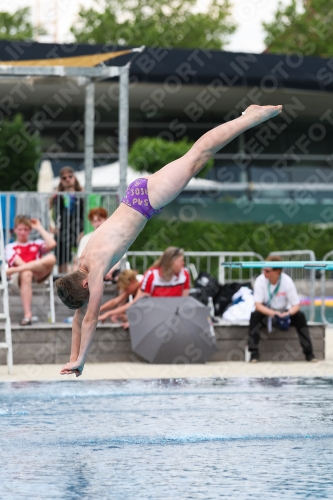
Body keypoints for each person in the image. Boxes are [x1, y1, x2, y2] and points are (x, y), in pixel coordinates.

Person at [55, 104, 283, 376]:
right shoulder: (84, 262)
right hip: (137, 198)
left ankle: (250, 117)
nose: (94, 292)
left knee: (199, 154)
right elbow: (80, 317)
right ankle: (247, 118)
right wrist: (73, 358)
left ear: (84, 284)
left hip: (146, 201)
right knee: (197, 158)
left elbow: (90, 317)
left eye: (88, 293)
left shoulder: (96, 269)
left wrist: (82, 359)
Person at [248, 255, 317, 363]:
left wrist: (288, 314)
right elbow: (258, 305)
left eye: (267, 271)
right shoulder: (260, 280)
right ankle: (253, 353)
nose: (264, 273)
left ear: (277, 272)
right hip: (268, 312)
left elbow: (296, 304)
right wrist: (273, 313)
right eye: (263, 270)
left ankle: (309, 354)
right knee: (255, 315)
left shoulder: (287, 281)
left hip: (284, 312)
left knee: (300, 316)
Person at [5, 215, 56, 325]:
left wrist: (39, 227)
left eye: (26, 229)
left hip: (37, 275)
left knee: (52, 258)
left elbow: (52, 244)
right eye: (20, 229)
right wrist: (33, 267)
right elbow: (22, 264)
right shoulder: (10, 247)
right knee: (26, 272)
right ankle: (28, 315)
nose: (23, 232)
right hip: (18, 277)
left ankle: (16, 270)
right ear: (15, 230)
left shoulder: (36, 243)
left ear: (30, 230)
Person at [51, 166, 84, 274]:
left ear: (74, 177)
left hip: (79, 230)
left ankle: (80, 282)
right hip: (61, 230)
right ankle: (62, 283)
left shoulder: (81, 193)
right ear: (61, 180)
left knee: (82, 257)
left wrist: (85, 231)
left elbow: (89, 211)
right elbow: (46, 210)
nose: (67, 179)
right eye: (64, 178)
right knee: (61, 259)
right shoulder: (57, 194)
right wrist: (50, 227)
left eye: (70, 176)